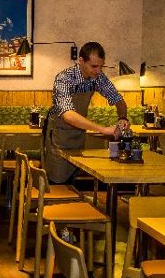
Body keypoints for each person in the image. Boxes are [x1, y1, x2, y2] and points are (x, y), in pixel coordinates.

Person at [45, 41, 130, 183]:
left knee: (73, 180)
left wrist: (123, 117)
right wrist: (103, 130)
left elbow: (118, 100)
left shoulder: (98, 78)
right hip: (59, 136)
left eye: (101, 66)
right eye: (94, 66)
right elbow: (68, 115)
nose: (98, 71)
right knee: (57, 181)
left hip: (78, 135)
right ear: (81, 61)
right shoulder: (64, 78)